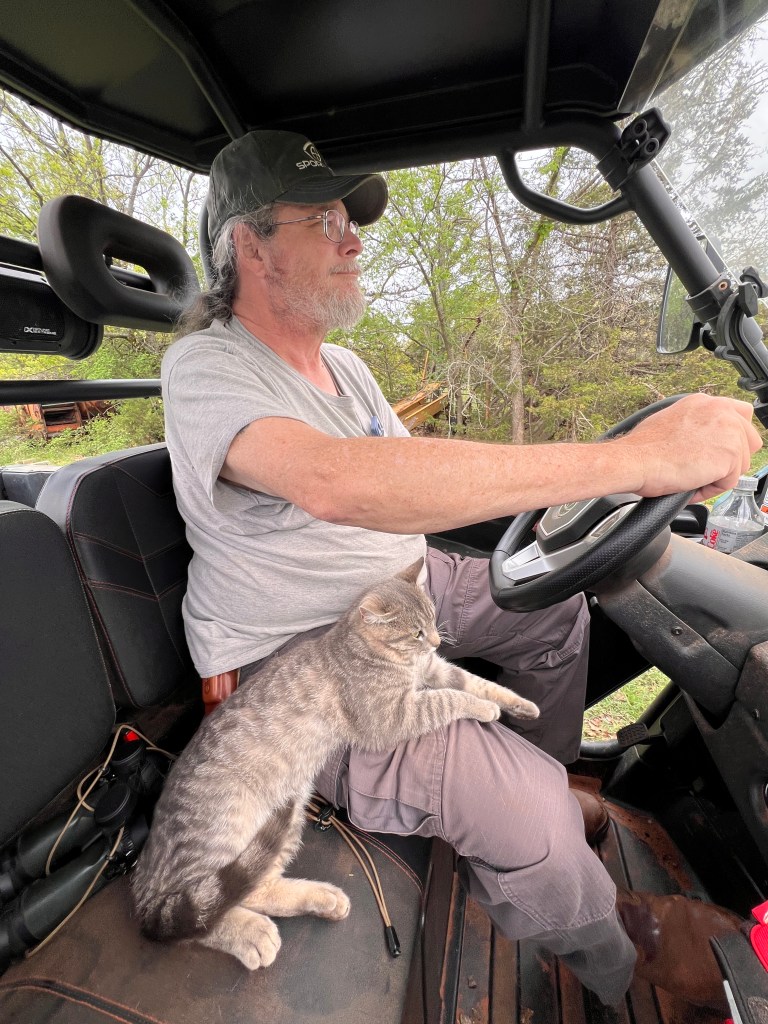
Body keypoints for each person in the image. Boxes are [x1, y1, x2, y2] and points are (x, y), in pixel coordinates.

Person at [161, 129, 760, 1010]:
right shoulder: (205, 365)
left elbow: (421, 487)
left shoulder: (348, 371)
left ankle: (540, 819)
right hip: (298, 659)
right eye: (323, 219)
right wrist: (632, 460)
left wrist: (581, 506)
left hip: (400, 591)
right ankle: (613, 961)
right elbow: (334, 483)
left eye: (349, 219)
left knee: (556, 617)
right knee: (526, 812)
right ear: (249, 243)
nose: (352, 238)